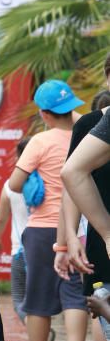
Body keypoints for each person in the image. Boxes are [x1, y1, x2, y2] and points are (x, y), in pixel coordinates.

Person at [8, 80, 89, 341]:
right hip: (80, 227)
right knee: (75, 297)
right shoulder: (87, 137)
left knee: (38, 300)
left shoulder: (39, 143)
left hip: (43, 229)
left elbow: (15, 184)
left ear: (43, 113)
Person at [54, 58, 110, 341]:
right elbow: (72, 181)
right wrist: (69, 238)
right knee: (100, 302)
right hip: (98, 237)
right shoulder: (90, 125)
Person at [0, 138, 30, 323]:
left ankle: (33, 327)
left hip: (22, 252)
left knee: (20, 300)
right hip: (52, 251)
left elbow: (0, 218)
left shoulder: (11, 186)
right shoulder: (52, 182)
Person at [62, 108, 110, 261]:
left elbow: (72, 173)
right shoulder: (87, 123)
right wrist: (69, 238)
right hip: (96, 243)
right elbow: (71, 180)